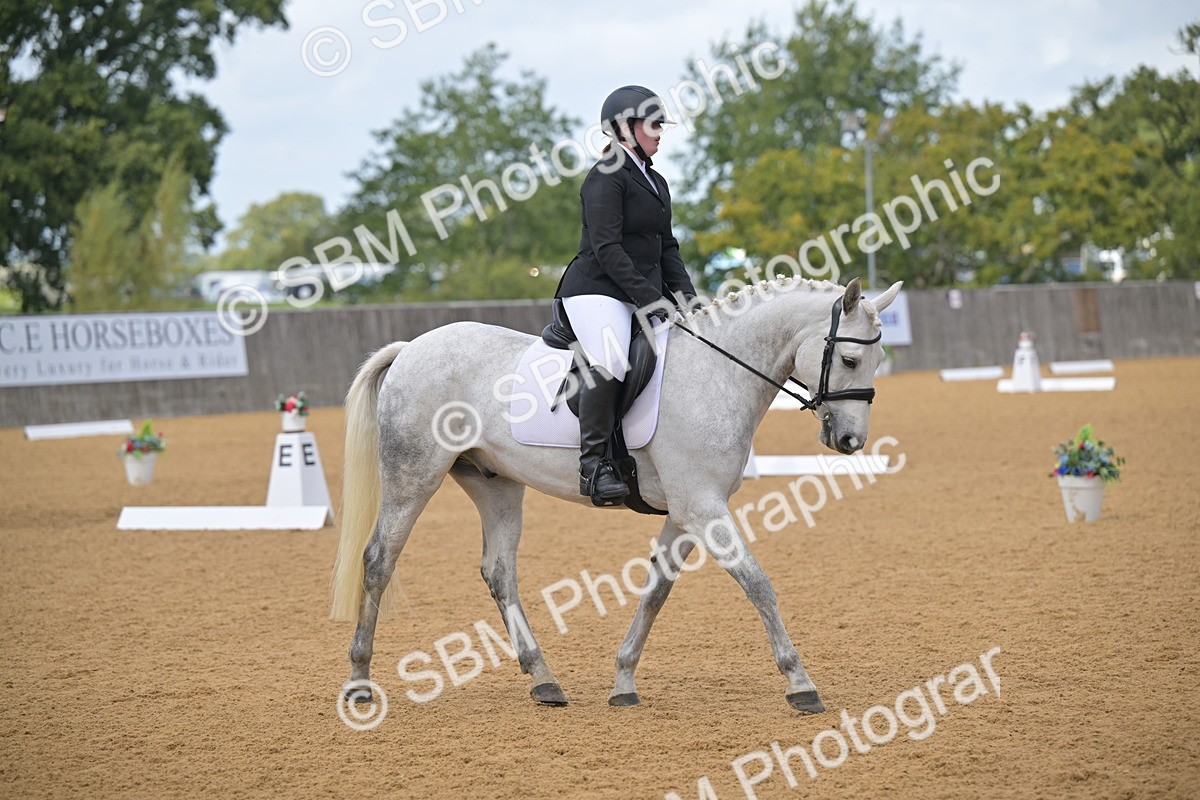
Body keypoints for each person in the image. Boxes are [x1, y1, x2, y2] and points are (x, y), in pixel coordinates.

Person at [555, 85, 699, 503]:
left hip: (635, 292)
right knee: (612, 356)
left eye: (660, 125)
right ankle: (594, 466)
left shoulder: (655, 181)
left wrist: (687, 299)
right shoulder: (605, 177)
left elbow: (666, 247)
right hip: (596, 290)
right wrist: (650, 297)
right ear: (624, 128)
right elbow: (607, 249)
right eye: (653, 125)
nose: (660, 133)